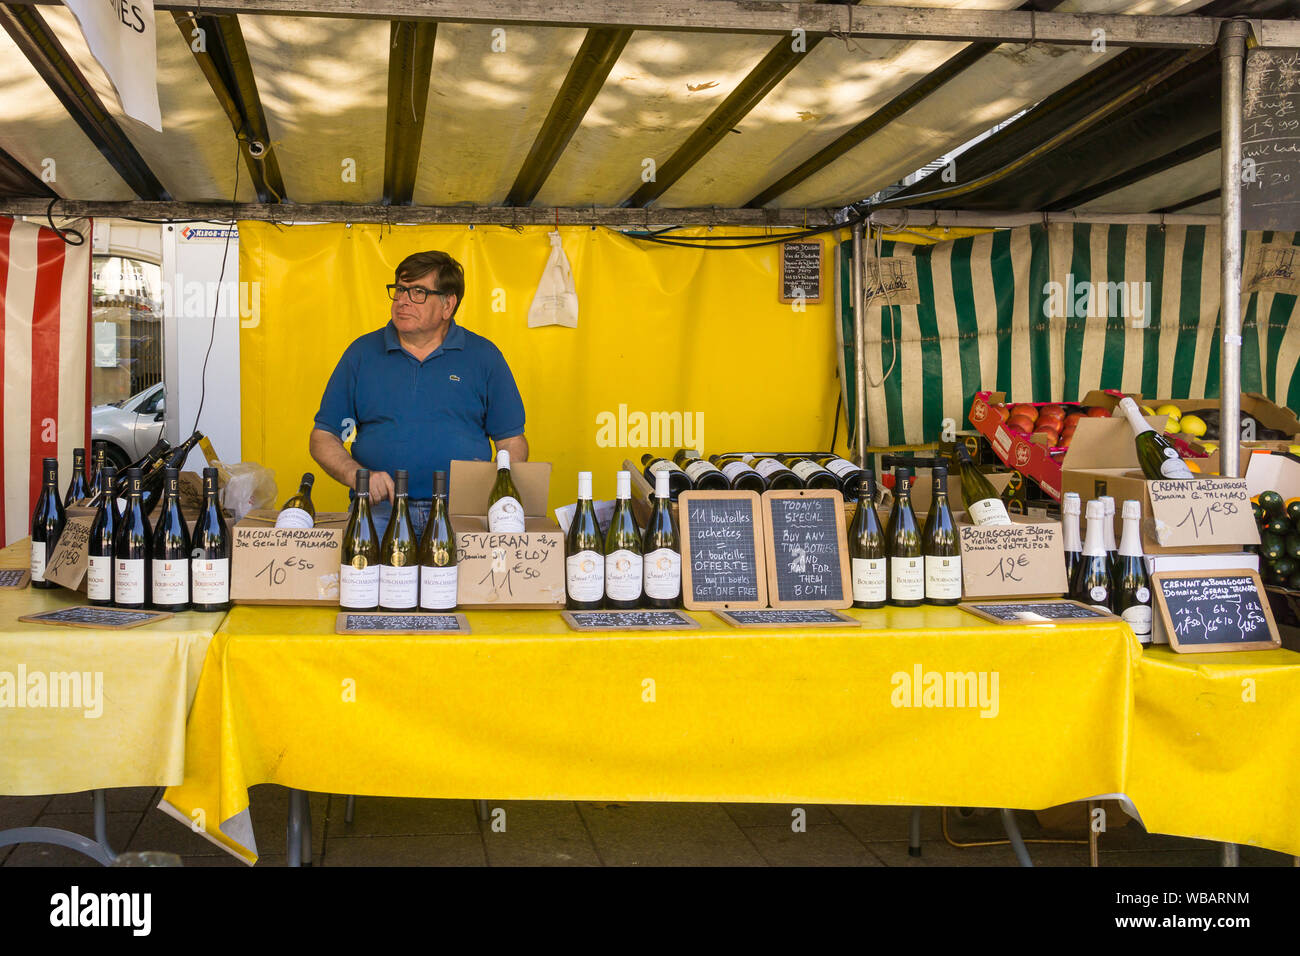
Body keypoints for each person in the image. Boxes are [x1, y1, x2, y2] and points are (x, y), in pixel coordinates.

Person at [311, 251, 527, 535]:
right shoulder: (362, 353)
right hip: (379, 513)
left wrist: (494, 486)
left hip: (460, 512)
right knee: (365, 581)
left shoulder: (484, 356)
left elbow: (511, 442)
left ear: (448, 304)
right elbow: (323, 437)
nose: (402, 300)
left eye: (418, 292)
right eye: (400, 289)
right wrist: (357, 476)